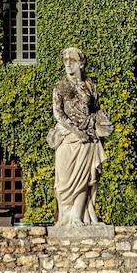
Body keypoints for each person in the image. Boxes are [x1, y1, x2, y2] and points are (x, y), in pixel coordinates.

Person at [49, 47, 110, 225]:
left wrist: (101, 122)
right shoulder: (60, 87)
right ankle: (64, 216)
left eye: (72, 61)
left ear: (81, 63)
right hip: (67, 136)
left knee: (84, 178)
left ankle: (77, 215)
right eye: (65, 61)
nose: (68, 64)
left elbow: (95, 110)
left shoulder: (90, 86)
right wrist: (76, 131)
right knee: (63, 179)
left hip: (87, 137)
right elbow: (58, 114)